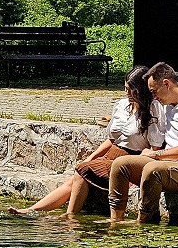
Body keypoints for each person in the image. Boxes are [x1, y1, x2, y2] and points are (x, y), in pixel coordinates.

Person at [9, 66, 162, 216]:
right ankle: (33, 210)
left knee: (82, 171)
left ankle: (70, 216)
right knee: (76, 176)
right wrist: (91, 157)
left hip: (129, 160)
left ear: (141, 90)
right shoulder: (121, 105)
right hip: (112, 154)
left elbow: (154, 147)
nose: (127, 93)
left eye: (131, 90)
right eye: (125, 88)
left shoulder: (153, 110)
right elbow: (111, 139)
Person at [109, 62, 178, 223]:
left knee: (153, 169)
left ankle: (144, 223)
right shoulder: (167, 106)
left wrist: (156, 154)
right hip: (170, 165)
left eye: (154, 91)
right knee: (120, 164)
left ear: (166, 84)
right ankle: (116, 221)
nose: (153, 97)